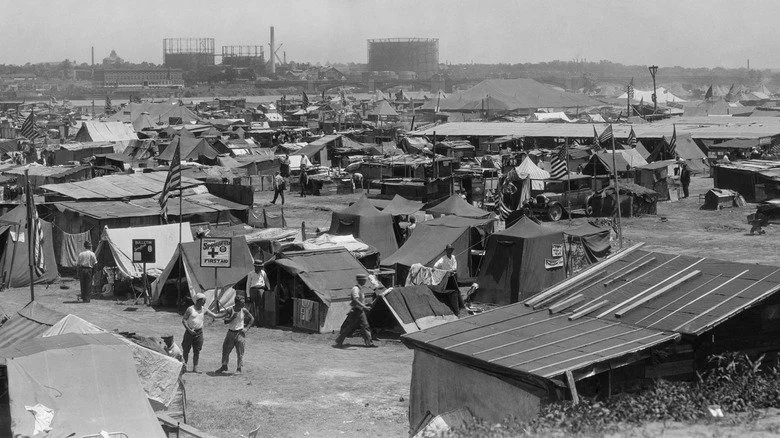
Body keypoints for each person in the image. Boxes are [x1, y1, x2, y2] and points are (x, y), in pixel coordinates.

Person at [334, 274, 376, 348]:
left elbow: (360, 301)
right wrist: (365, 307)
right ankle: (339, 341)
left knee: (365, 326)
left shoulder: (361, 289)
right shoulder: (355, 289)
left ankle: (369, 342)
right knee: (349, 327)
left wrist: (366, 304)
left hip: (360, 310)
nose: (365, 281)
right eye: (364, 280)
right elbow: (355, 300)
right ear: (360, 280)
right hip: (356, 310)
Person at [181, 292, 220, 373]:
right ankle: (184, 366)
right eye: (203, 300)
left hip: (199, 333)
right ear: (198, 300)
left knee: (197, 350)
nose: (205, 302)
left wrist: (227, 314)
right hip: (189, 332)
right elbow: (184, 320)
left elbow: (215, 316)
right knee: (186, 350)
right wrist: (189, 330)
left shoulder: (204, 309)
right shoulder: (190, 309)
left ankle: (195, 367)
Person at [215, 297, 254, 374]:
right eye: (242, 302)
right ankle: (224, 366)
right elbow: (225, 322)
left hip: (240, 333)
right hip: (231, 333)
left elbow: (252, 318)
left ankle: (239, 368)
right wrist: (232, 318)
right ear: (237, 303)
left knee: (240, 351)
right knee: (226, 350)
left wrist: (246, 328)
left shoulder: (244, 310)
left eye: (244, 302)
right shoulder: (230, 310)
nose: (244, 303)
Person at [246, 259, 270, 326]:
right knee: (253, 307)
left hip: (261, 290)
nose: (260, 268)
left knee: (260, 306)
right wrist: (248, 295)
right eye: (258, 266)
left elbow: (266, 281)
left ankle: (261, 322)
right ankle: (253, 322)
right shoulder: (250, 273)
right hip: (253, 290)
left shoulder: (263, 273)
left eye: (261, 267)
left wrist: (268, 288)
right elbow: (248, 284)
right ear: (255, 266)